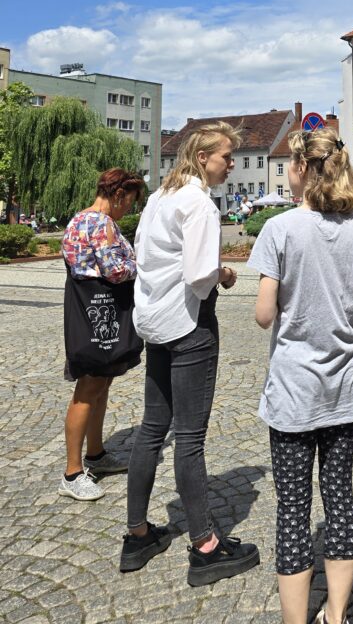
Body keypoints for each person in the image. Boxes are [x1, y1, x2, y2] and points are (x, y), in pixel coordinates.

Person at [250, 128, 353, 624]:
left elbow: (265, 314)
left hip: (292, 390)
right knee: (340, 497)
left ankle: (293, 620)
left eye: (289, 163)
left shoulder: (280, 230)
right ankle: (335, 613)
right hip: (343, 387)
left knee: (292, 508)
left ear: (304, 169)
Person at [122, 122, 260, 585]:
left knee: (151, 428)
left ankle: (138, 533)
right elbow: (200, 276)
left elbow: (142, 254)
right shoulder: (199, 203)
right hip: (189, 324)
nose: (231, 164)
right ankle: (205, 546)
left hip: (156, 321)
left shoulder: (160, 197)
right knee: (190, 437)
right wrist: (222, 273)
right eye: (227, 156)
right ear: (203, 157)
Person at [60, 168, 147, 501]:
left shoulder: (78, 219)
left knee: (99, 383)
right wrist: (145, 266)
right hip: (100, 312)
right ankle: (71, 473)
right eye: (130, 202)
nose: (129, 210)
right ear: (119, 194)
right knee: (89, 386)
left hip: (88, 310)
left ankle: (96, 454)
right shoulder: (101, 223)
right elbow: (116, 269)